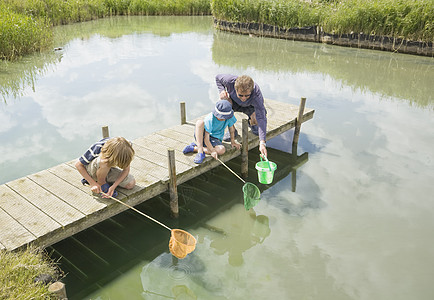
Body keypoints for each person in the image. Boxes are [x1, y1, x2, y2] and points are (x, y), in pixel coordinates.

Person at [215, 74, 268, 158]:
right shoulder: (229, 81)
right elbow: (218, 78)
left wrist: (262, 143)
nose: (243, 98)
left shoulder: (256, 94)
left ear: (251, 91)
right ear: (235, 89)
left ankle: (253, 123)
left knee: (258, 125)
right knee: (224, 104)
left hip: (250, 106)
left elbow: (261, 117)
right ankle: (232, 130)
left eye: (247, 95)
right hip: (234, 103)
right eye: (241, 95)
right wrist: (221, 91)